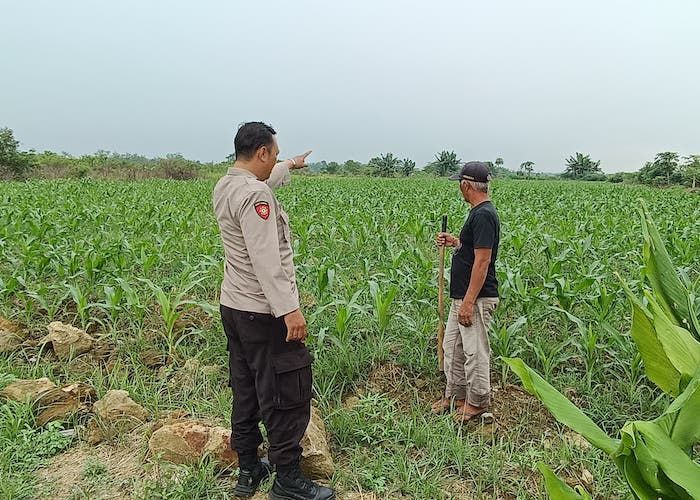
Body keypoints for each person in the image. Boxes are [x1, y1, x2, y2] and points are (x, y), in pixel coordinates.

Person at [213, 122, 335, 500]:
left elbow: (266, 181)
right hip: (264, 313)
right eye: (276, 155)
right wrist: (290, 311)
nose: (276, 162)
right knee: (286, 392)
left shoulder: (226, 185)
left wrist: (292, 164)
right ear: (262, 152)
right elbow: (267, 261)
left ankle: (248, 469)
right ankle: (287, 480)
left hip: (234, 307)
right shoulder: (255, 198)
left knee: (245, 388)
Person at [431, 161, 500, 423]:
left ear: (466, 185)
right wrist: (457, 243)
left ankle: (478, 403)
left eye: (460, 185)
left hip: (475, 298)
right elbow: (473, 251)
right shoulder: (478, 213)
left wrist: (469, 302)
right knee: (453, 347)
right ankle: (457, 395)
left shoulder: (483, 215)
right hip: (462, 296)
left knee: (474, 351)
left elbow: (483, 261)